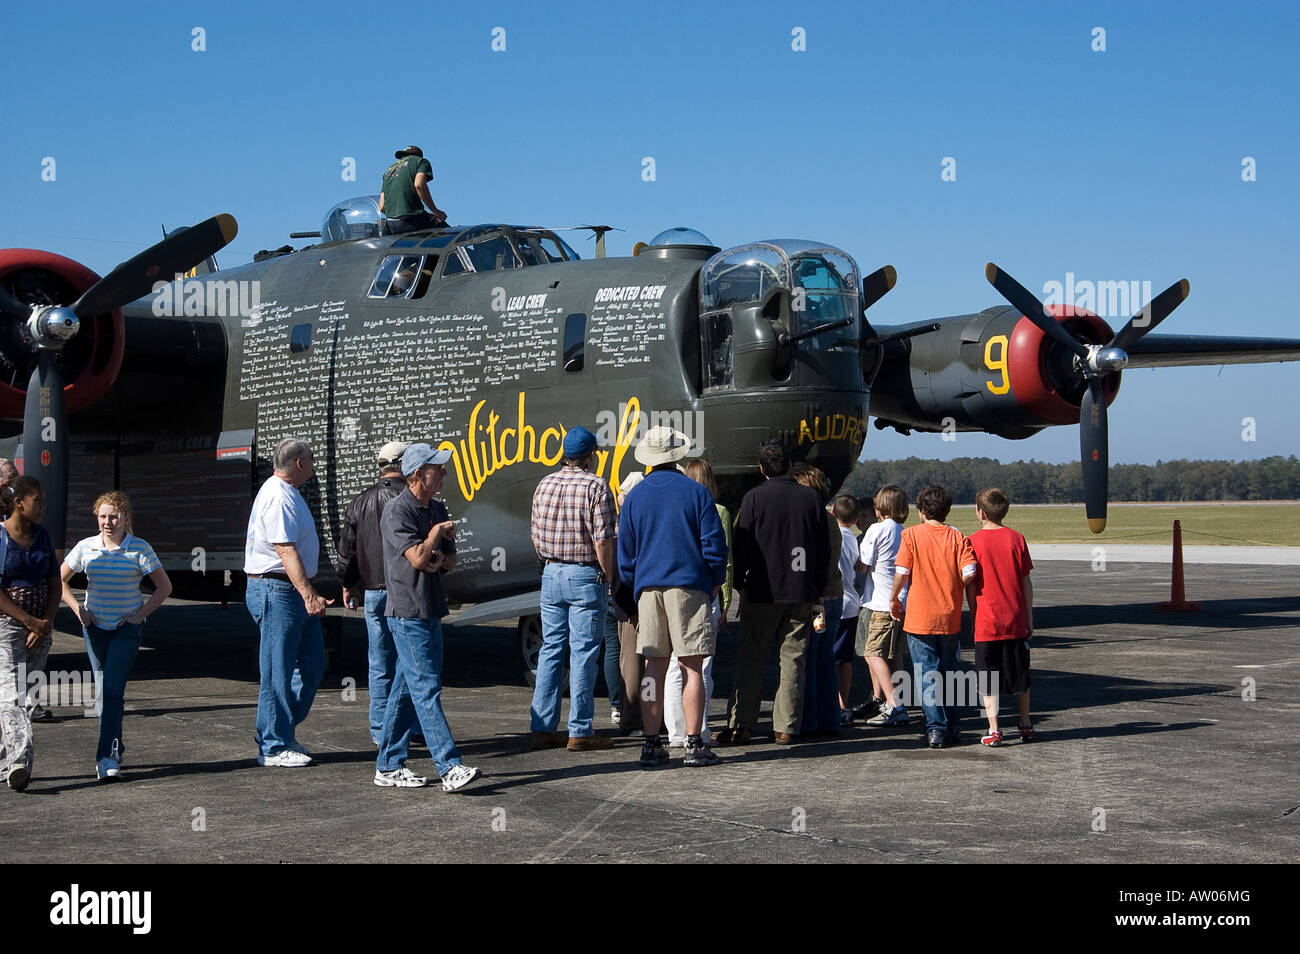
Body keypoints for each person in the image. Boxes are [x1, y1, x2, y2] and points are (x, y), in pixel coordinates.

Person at [617, 428, 728, 767]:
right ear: (676, 455)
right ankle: (694, 744)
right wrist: (713, 581)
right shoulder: (696, 493)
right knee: (692, 666)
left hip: (648, 588)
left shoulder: (635, 497)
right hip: (690, 586)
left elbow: (626, 555)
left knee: (654, 667)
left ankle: (651, 743)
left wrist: (634, 587)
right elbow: (715, 546)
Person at [373, 442, 479, 792]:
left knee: (407, 688)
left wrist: (438, 549)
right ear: (418, 474)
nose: (444, 473)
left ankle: (388, 764)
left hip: (430, 606)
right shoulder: (397, 511)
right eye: (438, 468)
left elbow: (448, 561)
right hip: (407, 611)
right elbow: (418, 560)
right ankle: (449, 767)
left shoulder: (437, 507)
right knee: (426, 688)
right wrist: (434, 536)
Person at [718, 442, 828, 746]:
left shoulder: (754, 498)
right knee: (793, 660)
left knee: (752, 659)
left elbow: (741, 546)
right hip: (801, 591)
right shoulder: (811, 499)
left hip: (762, 591)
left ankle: (742, 724)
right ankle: (786, 727)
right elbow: (821, 549)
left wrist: (739, 583)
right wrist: (817, 589)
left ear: (762, 468)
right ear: (790, 463)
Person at [60, 491, 172, 780]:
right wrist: (77, 610)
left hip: (126, 629)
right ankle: (115, 744)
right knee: (104, 693)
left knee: (111, 691)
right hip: (94, 628)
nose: (107, 522)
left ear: (125, 518)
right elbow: (58, 580)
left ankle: (106, 759)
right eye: (102, 516)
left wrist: (139, 615)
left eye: (113, 516)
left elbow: (164, 588)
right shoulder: (86, 547)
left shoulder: (140, 548)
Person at [244, 437, 332, 768]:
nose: (313, 463)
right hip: (277, 591)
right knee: (277, 670)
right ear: (298, 463)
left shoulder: (288, 493)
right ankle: (273, 745)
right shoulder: (279, 497)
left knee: (311, 664)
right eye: (311, 458)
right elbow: (284, 550)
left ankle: (278, 730)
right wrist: (309, 594)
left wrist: (307, 592)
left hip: (289, 591)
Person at [529, 426, 618, 751]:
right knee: (584, 652)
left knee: (552, 648)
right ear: (591, 455)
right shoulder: (596, 486)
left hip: (551, 572)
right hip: (584, 575)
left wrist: (548, 561)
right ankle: (580, 729)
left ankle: (542, 725)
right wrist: (608, 574)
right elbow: (603, 539)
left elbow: (535, 535)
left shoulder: (545, 484)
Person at [889, 485, 976, 749]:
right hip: (949, 616)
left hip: (919, 617)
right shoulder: (957, 536)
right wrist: (954, 583)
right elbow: (970, 571)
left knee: (926, 674)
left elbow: (902, 570)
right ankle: (953, 723)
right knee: (948, 671)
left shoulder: (911, 535)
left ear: (922, 509)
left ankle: (935, 728)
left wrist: (893, 598)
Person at [337, 440, 410, 746]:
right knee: (410, 664)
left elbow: (347, 551)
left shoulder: (359, 501)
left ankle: (381, 731)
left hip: (372, 593)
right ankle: (409, 726)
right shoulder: (410, 499)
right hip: (404, 592)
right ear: (404, 465)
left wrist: (348, 583)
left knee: (379, 664)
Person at [662, 458, 731, 747]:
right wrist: (723, 597)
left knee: (671, 665)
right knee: (701, 667)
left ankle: (675, 731)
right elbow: (724, 560)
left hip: (671, 588)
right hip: (703, 591)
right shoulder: (719, 511)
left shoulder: (676, 506)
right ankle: (698, 730)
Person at [0, 476, 60, 791]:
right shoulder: (0, 537)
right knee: (12, 695)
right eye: (37, 500)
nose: (42, 506)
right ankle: (19, 763)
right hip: (7, 626)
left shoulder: (43, 536)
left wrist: (45, 622)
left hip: (41, 628)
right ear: (19, 502)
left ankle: (4, 756)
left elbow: (54, 581)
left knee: (30, 697)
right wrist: (27, 620)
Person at [966, 488, 1035, 746]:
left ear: (980, 513)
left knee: (988, 678)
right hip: (1015, 619)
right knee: (1020, 676)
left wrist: (974, 612)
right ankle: (1025, 723)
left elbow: (971, 584)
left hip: (987, 622)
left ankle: (994, 728)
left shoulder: (971, 541)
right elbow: (1026, 581)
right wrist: (1029, 617)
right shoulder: (1017, 539)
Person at [792, 463, 842, 737]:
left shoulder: (811, 521)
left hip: (817, 600)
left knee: (809, 659)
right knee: (825, 659)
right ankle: (830, 719)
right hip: (834, 595)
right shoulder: (830, 519)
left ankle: (808, 721)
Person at [855, 486, 911, 726]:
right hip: (902, 600)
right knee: (895, 654)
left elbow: (864, 565)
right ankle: (896, 700)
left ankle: (894, 705)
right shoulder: (905, 532)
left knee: (872, 653)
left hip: (879, 601)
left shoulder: (876, 530)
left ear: (881, 508)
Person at [611, 470, 644, 733]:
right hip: (636, 599)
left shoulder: (622, 523)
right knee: (637, 661)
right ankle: (634, 715)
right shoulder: (636, 522)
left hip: (628, 600)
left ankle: (631, 714)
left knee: (629, 660)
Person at [829, 495, 863, 726]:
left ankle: (828, 703)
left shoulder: (830, 536)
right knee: (844, 659)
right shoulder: (854, 540)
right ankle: (843, 704)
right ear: (856, 518)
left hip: (832, 601)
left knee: (826, 657)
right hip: (851, 603)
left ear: (833, 513)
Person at [379, 146, 448, 234]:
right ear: (418, 156)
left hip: (392, 224)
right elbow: (419, 185)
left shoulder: (388, 171)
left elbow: (381, 207)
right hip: (412, 220)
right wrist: (435, 211)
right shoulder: (421, 161)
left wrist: (397, 218)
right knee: (447, 233)